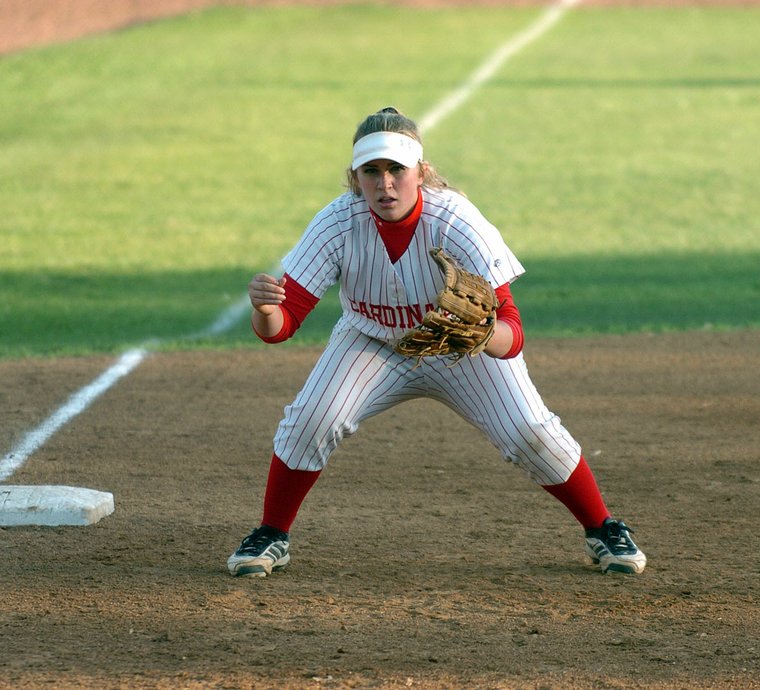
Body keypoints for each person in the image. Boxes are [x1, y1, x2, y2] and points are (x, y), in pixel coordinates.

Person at [227, 107, 646, 578]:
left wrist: (485, 334)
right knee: (311, 419)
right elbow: (282, 327)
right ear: (355, 177)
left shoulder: (457, 222)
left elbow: (512, 332)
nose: (385, 184)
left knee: (530, 432)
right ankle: (272, 534)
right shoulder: (336, 224)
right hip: (371, 343)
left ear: (421, 173)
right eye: (372, 172)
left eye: (396, 170)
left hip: (458, 350)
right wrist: (265, 310)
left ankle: (603, 528)